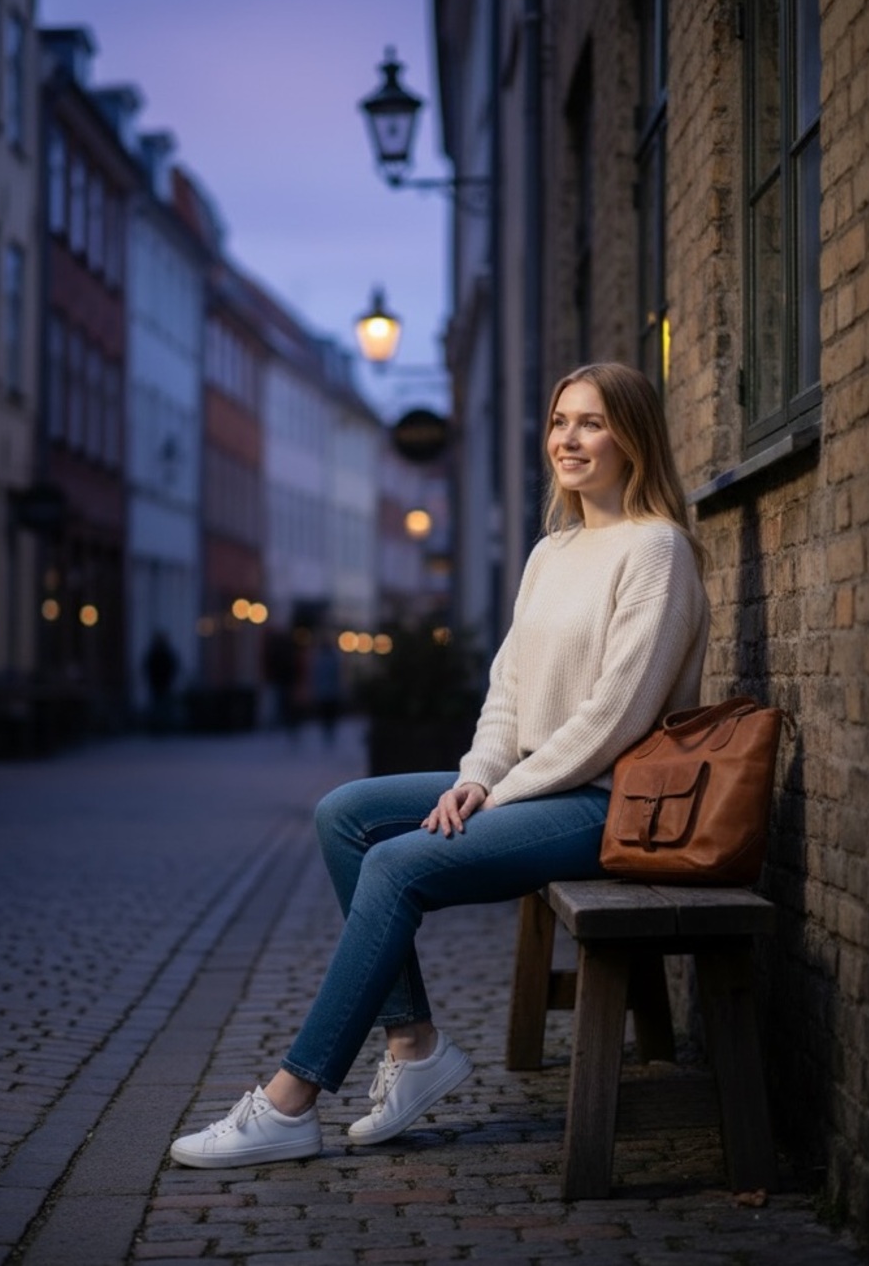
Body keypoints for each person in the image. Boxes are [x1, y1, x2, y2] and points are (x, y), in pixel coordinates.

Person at [170, 362, 710, 1169]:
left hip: (605, 803)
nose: (568, 438)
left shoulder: (658, 550)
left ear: (632, 437)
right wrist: (475, 775)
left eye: (591, 422)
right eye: (560, 421)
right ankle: (416, 1046)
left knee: (395, 864)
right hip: (531, 786)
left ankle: (292, 1099)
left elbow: (612, 719)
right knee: (343, 812)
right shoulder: (551, 552)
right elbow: (509, 691)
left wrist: (496, 794)